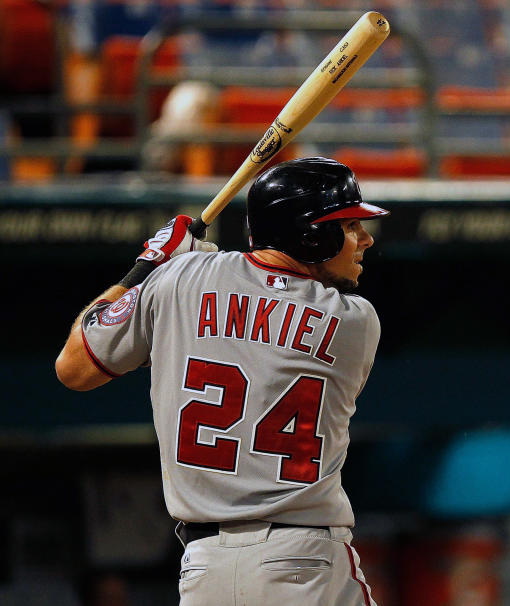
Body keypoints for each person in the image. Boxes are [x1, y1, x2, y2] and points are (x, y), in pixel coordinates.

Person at [56, 157, 388, 606]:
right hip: (304, 564)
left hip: (204, 572)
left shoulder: (177, 279)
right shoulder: (356, 321)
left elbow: (73, 369)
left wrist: (147, 269)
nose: (365, 239)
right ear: (312, 235)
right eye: (350, 226)